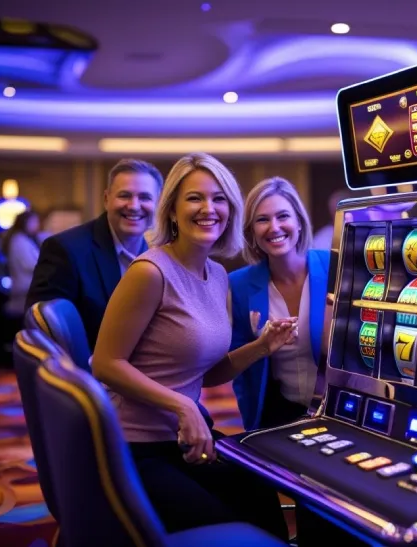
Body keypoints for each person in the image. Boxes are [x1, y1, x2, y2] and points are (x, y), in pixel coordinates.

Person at [91, 153, 293, 538]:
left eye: (219, 199)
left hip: (181, 439)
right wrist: (183, 404)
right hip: (134, 446)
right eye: (194, 198)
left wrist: (262, 346)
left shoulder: (216, 274)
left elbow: (208, 372)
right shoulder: (149, 272)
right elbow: (105, 364)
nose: (208, 209)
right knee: (228, 527)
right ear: (171, 211)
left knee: (260, 492)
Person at [26, 158, 162, 351]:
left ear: (158, 204)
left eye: (145, 198)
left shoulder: (160, 256)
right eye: (124, 195)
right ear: (106, 199)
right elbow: (42, 334)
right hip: (86, 377)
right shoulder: (65, 249)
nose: (134, 205)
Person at [229, 177, 330, 430]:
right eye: (262, 220)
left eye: (283, 216)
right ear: (251, 231)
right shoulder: (237, 285)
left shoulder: (335, 266)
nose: (274, 227)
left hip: (337, 411)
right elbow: (239, 370)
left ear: (298, 221)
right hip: (276, 415)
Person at [2, 210, 42, 316]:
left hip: (24, 288)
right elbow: (30, 264)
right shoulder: (19, 240)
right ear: (25, 223)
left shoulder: (22, 239)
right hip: (23, 289)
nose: (37, 225)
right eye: (34, 221)